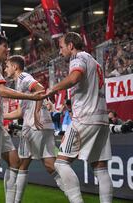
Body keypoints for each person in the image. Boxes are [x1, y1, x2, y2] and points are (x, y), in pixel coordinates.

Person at [0, 34, 44, 203]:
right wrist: (31, 97)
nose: (8, 49)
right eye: (5, 46)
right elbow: (2, 90)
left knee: (15, 161)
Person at [45, 32, 113, 203]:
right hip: (101, 120)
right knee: (100, 168)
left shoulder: (77, 57)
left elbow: (75, 76)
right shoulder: (94, 61)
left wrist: (53, 89)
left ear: (71, 46)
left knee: (60, 163)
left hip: (84, 118)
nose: (60, 52)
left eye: (61, 48)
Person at [3, 55, 64, 202]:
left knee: (21, 164)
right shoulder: (19, 83)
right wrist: (0, 116)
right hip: (45, 125)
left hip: (33, 126)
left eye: (7, 66)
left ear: (15, 67)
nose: (5, 69)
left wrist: (36, 113)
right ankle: (73, 193)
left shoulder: (23, 77)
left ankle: (15, 201)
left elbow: (40, 89)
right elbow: (19, 112)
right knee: (50, 165)